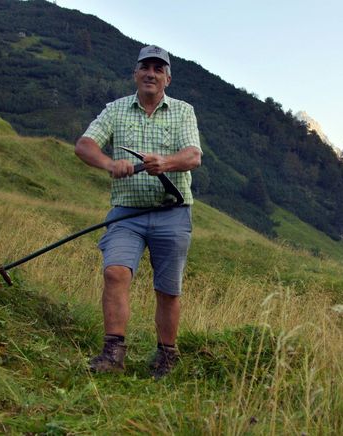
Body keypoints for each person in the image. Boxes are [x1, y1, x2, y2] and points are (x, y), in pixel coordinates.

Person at [74, 45, 202, 378]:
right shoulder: (115, 110)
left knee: (168, 288)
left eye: (159, 69)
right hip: (125, 214)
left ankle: (166, 356)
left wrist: (166, 163)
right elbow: (84, 145)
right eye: (145, 67)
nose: (151, 73)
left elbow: (193, 156)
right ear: (135, 73)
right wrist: (108, 163)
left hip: (172, 212)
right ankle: (113, 353)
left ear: (167, 78)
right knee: (115, 272)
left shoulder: (184, 112)